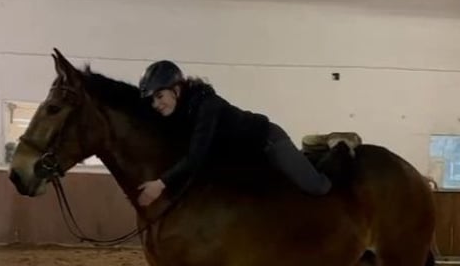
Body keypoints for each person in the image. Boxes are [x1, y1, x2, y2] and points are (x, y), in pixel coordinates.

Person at [136, 60, 332, 207]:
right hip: (244, 157)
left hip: (268, 142)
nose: (156, 104)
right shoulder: (180, 112)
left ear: (176, 90)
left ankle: (337, 153)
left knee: (316, 187)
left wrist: (161, 183)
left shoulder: (206, 105)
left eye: (159, 96)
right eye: (152, 99)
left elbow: (195, 156)